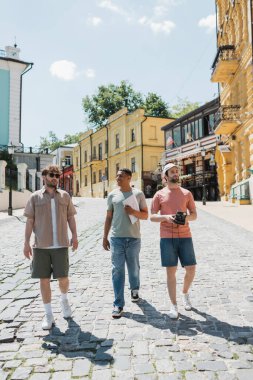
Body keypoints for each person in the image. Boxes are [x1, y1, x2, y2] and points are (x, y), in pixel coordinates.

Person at [23, 165, 78, 330]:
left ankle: (64, 300)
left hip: (61, 244)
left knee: (63, 278)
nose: (55, 177)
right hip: (41, 245)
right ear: (44, 177)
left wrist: (74, 235)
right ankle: (48, 314)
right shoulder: (35, 197)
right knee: (44, 280)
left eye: (57, 175)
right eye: (52, 175)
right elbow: (30, 221)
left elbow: (70, 217)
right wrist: (26, 242)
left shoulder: (65, 196)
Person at [150, 163, 197, 319]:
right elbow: (152, 216)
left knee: (191, 269)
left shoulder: (187, 193)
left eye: (177, 171)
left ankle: (185, 293)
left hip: (185, 236)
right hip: (167, 237)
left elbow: (194, 215)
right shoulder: (159, 194)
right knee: (171, 271)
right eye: (172, 172)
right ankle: (173, 305)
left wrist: (185, 218)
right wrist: (166, 218)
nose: (176, 174)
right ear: (166, 176)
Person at [103, 168, 148, 318]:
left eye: (121, 176)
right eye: (117, 176)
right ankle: (118, 304)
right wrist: (105, 236)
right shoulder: (112, 195)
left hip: (134, 238)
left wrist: (133, 212)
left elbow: (145, 215)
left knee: (134, 268)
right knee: (117, 270)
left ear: (129, 178)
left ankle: (134, 289)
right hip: (117, 238)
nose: (118, 178)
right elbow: (108, 217)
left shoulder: (138, 194)